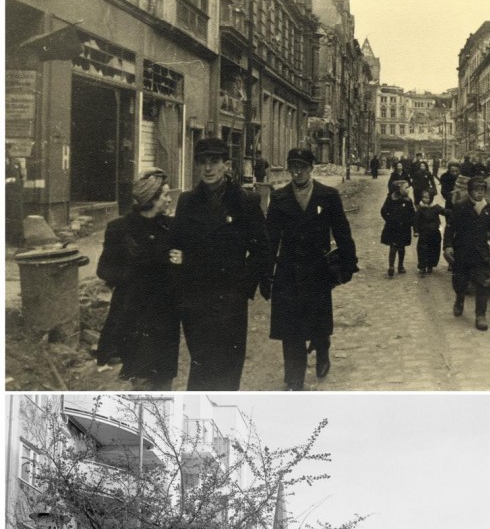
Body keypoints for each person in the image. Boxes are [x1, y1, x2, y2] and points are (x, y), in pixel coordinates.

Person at [170, 137, 272, 390]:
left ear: (226, 165)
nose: (208, 168)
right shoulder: (186, 202)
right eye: (203, 162)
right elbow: (176, 246)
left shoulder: (245, 201)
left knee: (228, 365)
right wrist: (181, 277)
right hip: (196, 298)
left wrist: (244, 286)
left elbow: (262, 249)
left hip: (230, 298)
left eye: (214, 162)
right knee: (201, 362)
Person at [266, 148, 358, 391]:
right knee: (291, 328)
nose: (297, 172)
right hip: (288, 270)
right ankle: (294, 378)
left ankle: (323, 350)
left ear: (311, 168)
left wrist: (349, 262)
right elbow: (270, 239)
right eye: (292, 167)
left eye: (302, 167)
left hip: (317, 270)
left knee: (317, 322)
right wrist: (265, 274)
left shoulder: (328, 195)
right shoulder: (279, 198)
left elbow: (342, 231)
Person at [96, 169, 180, 390]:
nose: (170, 199)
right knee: (142, 378)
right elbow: (103, 269)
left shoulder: (170, 227)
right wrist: (135, 273)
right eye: (165, 195)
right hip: (134, 314)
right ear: (152, 199)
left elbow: (182, 265)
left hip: (165, 315)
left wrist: (182, 260)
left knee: (164, 378)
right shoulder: (119, 229)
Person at [443, 174, 490, 332]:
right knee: (460, 281)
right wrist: (447, 246)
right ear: (469, 191)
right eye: (476, 190)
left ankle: (481, 315)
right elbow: (450, 227)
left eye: (482, 190)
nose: (480, 193)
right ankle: (459, 300)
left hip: (480, 252)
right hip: (462, 251)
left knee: (483, 282)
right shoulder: (460, 206)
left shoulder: (487, 207)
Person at [380, 180, 414, 277]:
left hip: (404, 227)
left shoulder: (408, 200)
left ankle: (400, 265)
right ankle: (391, 266)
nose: (408, 190)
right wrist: (389, 219)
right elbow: (383, 211)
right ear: (399, 189)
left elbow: (412, 213)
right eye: (405, 188)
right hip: (393, 227)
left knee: (401, 247)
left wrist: (410, 222)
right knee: (393, 246)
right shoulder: (390, 199)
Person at [413, 190, 445, 275]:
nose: (424, 199)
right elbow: (415, 220)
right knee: (422, 249)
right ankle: (422, 267)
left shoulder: (436, 207)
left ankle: (430, 265)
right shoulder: (420, 208)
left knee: (434, 249)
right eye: (423, 197)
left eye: (426, 197)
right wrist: (416, 231)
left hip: (434, 233)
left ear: (431, 198)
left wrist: (452, 211)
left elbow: (444, 212)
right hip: (424, 233)